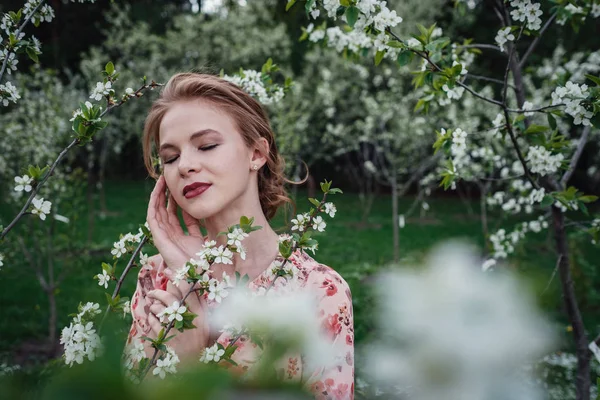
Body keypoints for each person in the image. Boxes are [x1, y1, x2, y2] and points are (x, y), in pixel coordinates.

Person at [125, 72, 354, 398]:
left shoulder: (320, 291)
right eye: (170, 158)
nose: (185, 166)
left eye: (206, 145)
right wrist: (187, 282)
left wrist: (192, 363)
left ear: (257, 153)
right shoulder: (156, 277)